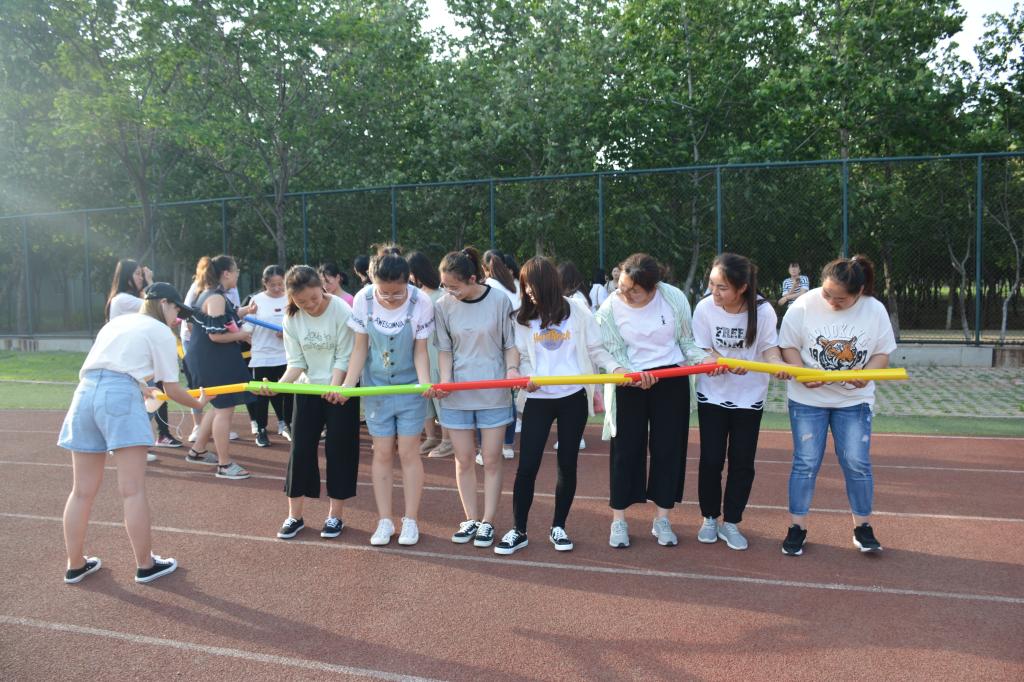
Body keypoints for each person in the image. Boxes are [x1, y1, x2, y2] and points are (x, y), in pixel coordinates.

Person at [59, 282, 209, 584]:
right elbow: (171, 388)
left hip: (84, 394)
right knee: (132, 489)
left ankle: (75, 564)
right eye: (177, 310)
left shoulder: (116, 323)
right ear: (164, 303)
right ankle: (145, 565)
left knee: (81, 490)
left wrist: (140, 386)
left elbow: (109, 367)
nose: (177, 318)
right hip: (119, 396)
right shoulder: (160, 331)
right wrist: (199, 402)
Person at [494, 257, 623, 555]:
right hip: (538, 400)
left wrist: (615, 369)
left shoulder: (577, 311)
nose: (529, 293)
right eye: (525, 288)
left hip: (572, 398)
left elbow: (596, 349)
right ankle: (519, 530)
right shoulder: (522, 318)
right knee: (527, 465)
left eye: (533, 287)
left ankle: (559, 527)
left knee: (567, 463)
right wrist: (521, 376)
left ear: (550, 284)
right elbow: (521, 357)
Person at [778, 255, 897, 556]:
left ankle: (863, 527)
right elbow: (788, 345)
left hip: (853, 400)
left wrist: (865, 375)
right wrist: (801, 373)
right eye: (827, 293)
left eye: (840, 299)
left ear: (859, 292)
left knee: (856, 461)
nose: (831, 301)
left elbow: (882, 354)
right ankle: (797, 527)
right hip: (807, 399)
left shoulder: (874, 310)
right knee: (806, 462)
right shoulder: (803, 304)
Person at [595, 253, 708, 549]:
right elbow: (612, 351)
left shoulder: (674, 298)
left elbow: (686, 342)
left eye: (633, 290)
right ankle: (619, 520)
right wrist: (630, 374)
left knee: (668, 449)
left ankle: (662, 518)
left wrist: (706, 359)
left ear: (653, 287)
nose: (624, 293)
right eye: (621, 286)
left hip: (670, 379)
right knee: (625, 451)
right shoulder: (609, 309)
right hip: (629, 381)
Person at [692, 253, 789, 551]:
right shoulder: (705, 308)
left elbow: (769, 349)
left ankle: (731, 522)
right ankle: (710, 517)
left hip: (749, 398)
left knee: (742, 462)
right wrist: (717, 360)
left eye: (722, 287)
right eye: (712, 284)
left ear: (742, 287)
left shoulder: (763, 311)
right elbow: (701, 349)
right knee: (711, 460)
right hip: (712, 395)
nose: (714, 292)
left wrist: (778, 365)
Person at [340, 245, 433, 546]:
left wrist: (424, 383)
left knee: (408, 452)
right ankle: (384, 520)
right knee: (381, 452)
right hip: (377, 388)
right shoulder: (363, 300)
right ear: (373, 282)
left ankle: (411, 520)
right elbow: (360, 348)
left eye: (397, 293)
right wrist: (348, 385)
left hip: (409, 389)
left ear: (409, 281)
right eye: (385, 293)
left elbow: (421, 351)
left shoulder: (421, 302)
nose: (391, 298)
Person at [428, 247, 519, 549]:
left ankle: (488, 521)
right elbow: (444, 349)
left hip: (493, 391)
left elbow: (510, 344)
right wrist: (445, 380)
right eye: (445, 286)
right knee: (463, 458)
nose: (449, 292)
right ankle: (471, 518)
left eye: (454, 286)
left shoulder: (499, 300)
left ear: (472, 279)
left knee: (491, 459)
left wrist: (512, 370)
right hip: (456, 393)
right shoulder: (443, 306)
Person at [272, 265, 360, 541]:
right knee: (300, 450)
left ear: (322, 287)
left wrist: (336, 387)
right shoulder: (292, 317)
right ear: (292, 299)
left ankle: (335, 516)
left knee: (339, 450)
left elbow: (344, 356)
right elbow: (296, 362)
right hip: (308, 389)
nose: (310, 305)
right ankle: (294, 516)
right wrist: (277, 386)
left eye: (314, 298)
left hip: (341, 389)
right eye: (302, 302)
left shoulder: (341, 310)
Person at [184, 255, 254, 480]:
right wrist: (242, 335)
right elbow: (215, 335)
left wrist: (245, 311)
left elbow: (223, 319)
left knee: (217, 405)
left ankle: (198, 450)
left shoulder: (209, 294)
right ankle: (224, 465)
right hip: (212, 359)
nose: (237, 275)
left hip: (207, 358)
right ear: (226, 273)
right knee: (224, 408)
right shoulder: (215, 297)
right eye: (236, 271)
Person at [104, 259, 178, 453]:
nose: (140, 278)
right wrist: (150, 281)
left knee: (151, 400)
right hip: (128, 362)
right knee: (148, 401)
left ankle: (141, 440)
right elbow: (154, 304)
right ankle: (127, 443)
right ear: (126, 276)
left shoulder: (127, 298)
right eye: (137, 274)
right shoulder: (123, 299)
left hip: (135, 360)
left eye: (141, 274)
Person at [408, 250, 452, 458]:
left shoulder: (441, 297)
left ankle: (447, 440)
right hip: (420, 351)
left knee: (440, 397)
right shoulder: (416, 296)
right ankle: (431, 437)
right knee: (424, 396)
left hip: (436, 351)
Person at [243, 265, 292, 447]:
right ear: (265, 283)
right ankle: (261, 429)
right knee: (262, 395)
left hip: (286, 356)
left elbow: (297, 324)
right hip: (262, 356)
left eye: (281, 284)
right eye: (273, 285)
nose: (277, 288)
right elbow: (247, 328)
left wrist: (287, 333)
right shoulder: (256, 300)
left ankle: (287, 425)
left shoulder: (290, 298)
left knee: (288, 393)